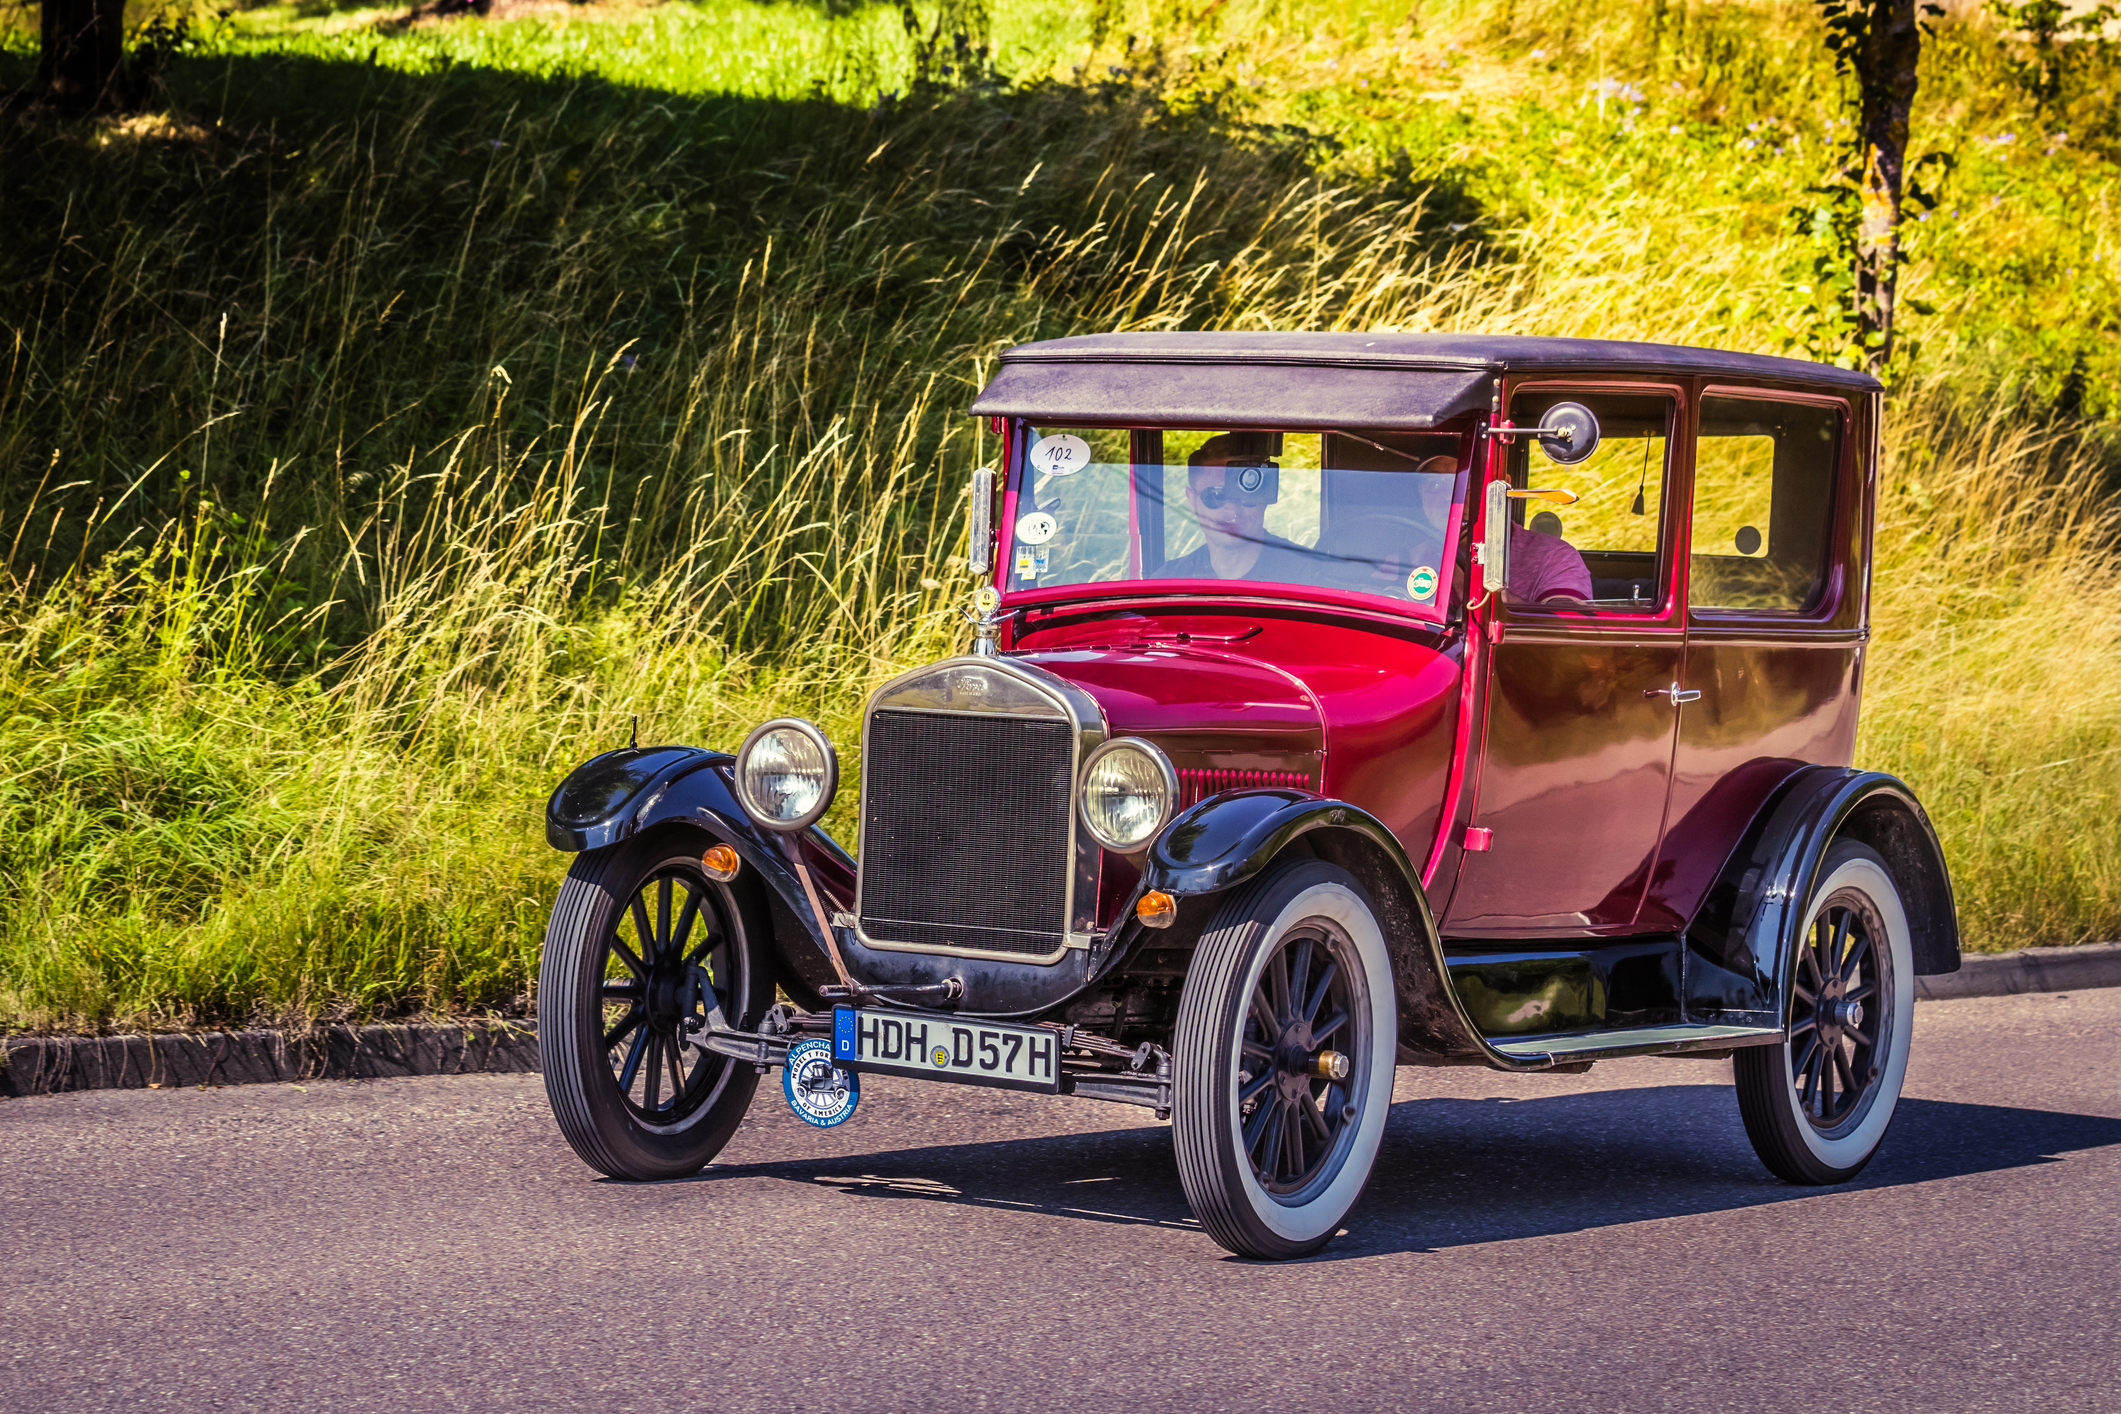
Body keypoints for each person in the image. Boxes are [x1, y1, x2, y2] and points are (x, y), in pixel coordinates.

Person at [1161, 434, 1315, 582]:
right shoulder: (1169, 580)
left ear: (1265, 496)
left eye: (1246, 493)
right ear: (1192, 499)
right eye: (1216, 495)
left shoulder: (1308, 574)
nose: (1232, 510)